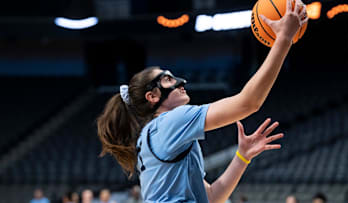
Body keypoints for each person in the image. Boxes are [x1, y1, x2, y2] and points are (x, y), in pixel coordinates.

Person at [96, 0, 308, 201]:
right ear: (152, 97)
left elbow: (212, 197)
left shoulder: (158, 133)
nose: (181, 81)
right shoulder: (171, 122)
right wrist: (283, 39)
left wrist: (242, 157)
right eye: (168, 79)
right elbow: (248, 103)